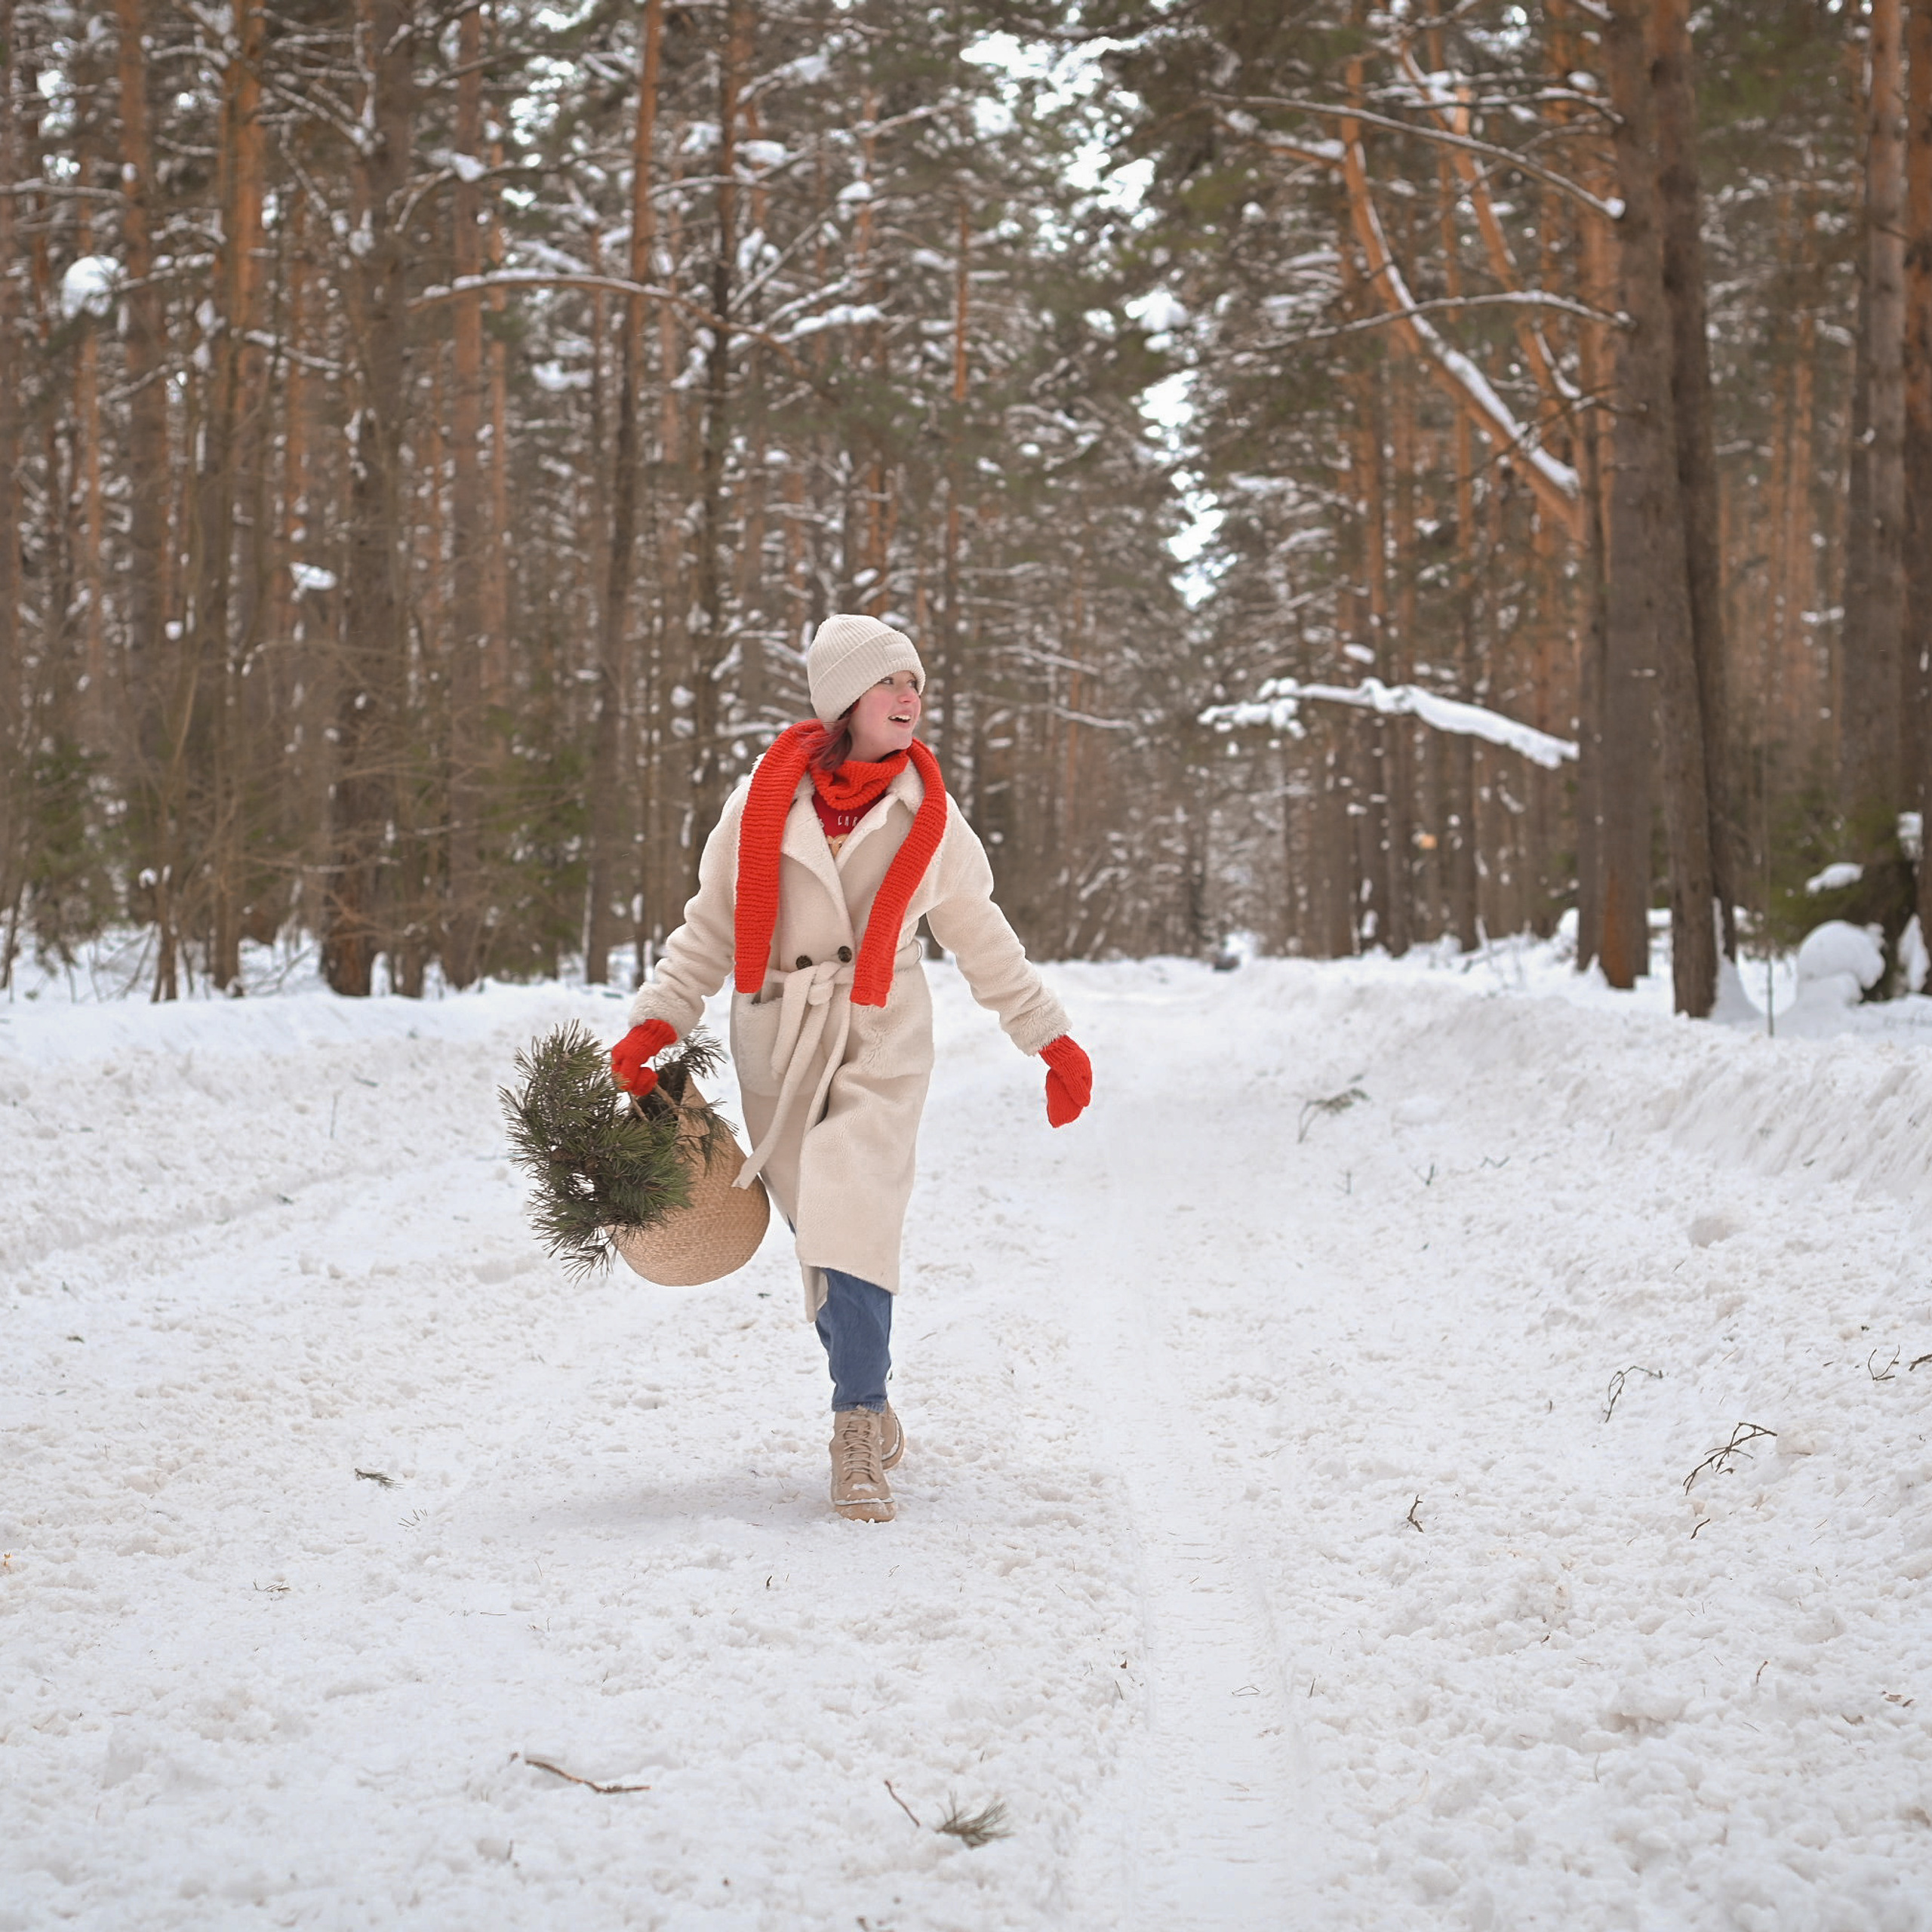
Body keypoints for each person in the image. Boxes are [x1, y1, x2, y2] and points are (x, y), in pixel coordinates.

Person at [609, 614, 1092, 1524]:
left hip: (879, 1032)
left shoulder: (932, 817)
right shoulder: (758, 802)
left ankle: (856, 1422)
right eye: (889, 683)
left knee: (852, 1210)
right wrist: (657, 1020)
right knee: (821, 1237)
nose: (910, 697)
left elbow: (981, 935)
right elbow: (709, 927)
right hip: (778, 1035)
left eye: (916, 681)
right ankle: (866, 1381)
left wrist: (1049, 1038)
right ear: (843, 701)